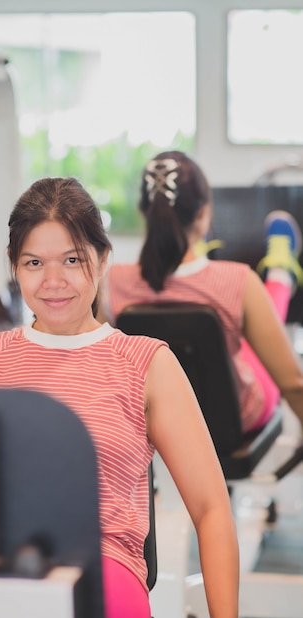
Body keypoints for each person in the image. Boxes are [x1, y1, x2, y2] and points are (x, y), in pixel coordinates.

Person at [0, 176, 239, 618]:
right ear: (12, 265)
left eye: (73, 260)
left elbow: (211, 508)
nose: (54, 281)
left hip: (101, 570)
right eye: (34, 262)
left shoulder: (145, 362)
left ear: (101, 260)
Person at [100, 150, 303, 435]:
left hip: (161, 422)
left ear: (144, 213)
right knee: (249, 346)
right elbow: (294, 385)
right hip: (238, 418)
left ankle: (201, 254)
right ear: (203, 214)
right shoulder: (238, 280)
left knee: (233, 335)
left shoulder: (113, 281)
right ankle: (281, 271)